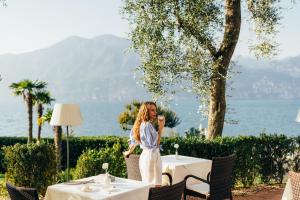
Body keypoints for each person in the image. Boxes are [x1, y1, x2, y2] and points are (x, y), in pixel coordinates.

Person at [124, 101, 165, 186]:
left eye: (155, 110)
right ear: (146, 111)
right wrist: (161, 128)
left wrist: (129, 151)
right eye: (152, 110)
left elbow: (134, 141)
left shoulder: (140, 124)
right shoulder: (147, 125)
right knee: (155, 185)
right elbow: (155, 144)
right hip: (152, 156)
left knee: (147, 184)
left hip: (145, 156)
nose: (155, 112)